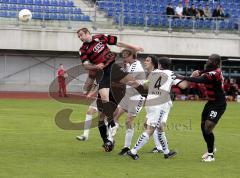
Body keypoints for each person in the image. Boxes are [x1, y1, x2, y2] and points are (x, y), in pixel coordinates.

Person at [77, 27, 146, 150]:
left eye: (81, 35)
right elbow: (85, 65)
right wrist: (95, 66)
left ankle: (146, 94)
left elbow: (118, 43)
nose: (80, 38)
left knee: (131, 82)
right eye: (79, 37)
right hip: (102, 73)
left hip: (112, 68)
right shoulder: (83, 50)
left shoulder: (100, 37)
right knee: (103, 102)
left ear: (88, 33)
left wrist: (133, 47)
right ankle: (110, 134)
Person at [127, 56, 188, 160]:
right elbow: (183, 86)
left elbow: (145, 86)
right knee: (151, 129)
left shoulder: (154, 73)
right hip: (160, 104)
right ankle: (133, 151)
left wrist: (137, 84)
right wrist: (188, 78)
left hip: (150, 102)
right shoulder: (171, 74)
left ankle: (167, 152)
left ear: (159, 65)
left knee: (160, 128)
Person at [176, 54, 227, 162]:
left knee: (208, 126)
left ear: (216, 63)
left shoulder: (215, 73)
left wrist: (182, 76)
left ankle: (210, 156)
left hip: (219, 104)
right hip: (210, 103)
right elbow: (203, 72)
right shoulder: (210, 70)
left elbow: (200, 79)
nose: (208, 61)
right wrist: (198, 71)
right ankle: (211, 149)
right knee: (203, 126)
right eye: (208, 59)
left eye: (211, 60)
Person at [114, 49, 146, 156]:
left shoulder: (136, 66)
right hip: (128, 95)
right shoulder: (129, 65)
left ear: (132, 56)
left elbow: (129, 80)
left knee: (128, 121)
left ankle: (126, 147)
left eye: (126, 56)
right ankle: (110, 139)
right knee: (115, 115)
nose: (124, 58)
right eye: (123, 56)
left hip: (137, 97)